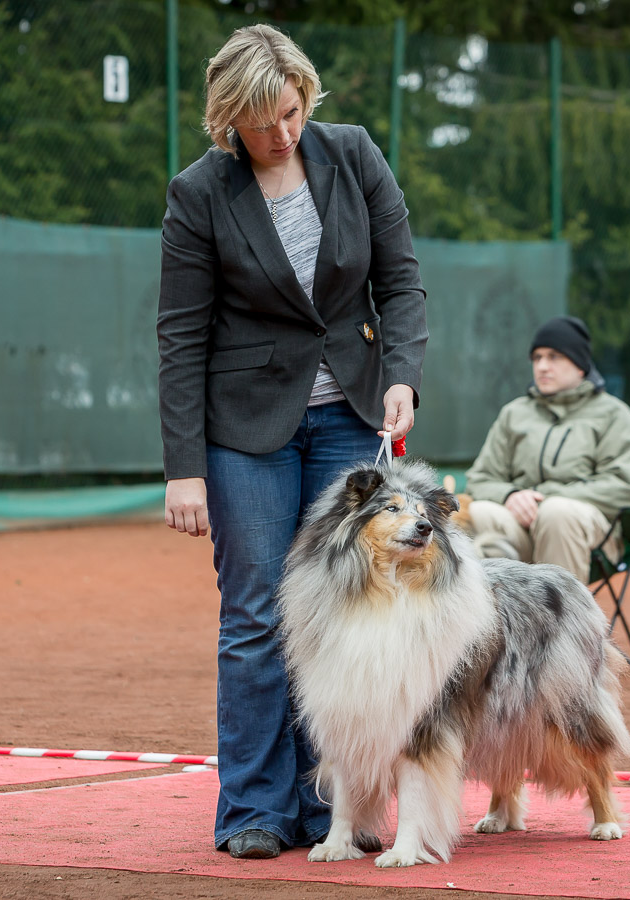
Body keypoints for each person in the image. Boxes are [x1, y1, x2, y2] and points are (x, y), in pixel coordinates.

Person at [156, 24, 427, 860]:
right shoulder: (199, 193)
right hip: (245, 432)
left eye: (292, 111)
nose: (282, 131)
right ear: (228, 118)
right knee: (255, 616)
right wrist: (184, 470)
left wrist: (402, 378)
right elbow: (180, 336)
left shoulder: (354, 154)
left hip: (350, 417)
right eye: (261, 120)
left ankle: (330, 811)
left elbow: (401, 282)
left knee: (342, 612)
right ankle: (253, 809)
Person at [465, 316, 630, 584]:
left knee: (556, 512)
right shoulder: (515, 413)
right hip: (522, 528)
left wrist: (544, 498)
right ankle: (494, 609)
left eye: (554, 357)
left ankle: (563, 611)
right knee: (476, 512)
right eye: (537, 358)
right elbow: (480, 479)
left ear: (580, 365)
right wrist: (510, 495)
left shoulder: (613, 415)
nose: (542, 366)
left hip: (590, 533)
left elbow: (622, 487)